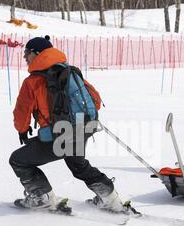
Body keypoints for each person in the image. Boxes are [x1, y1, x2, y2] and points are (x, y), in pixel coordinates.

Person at [9, 36, 126, 212]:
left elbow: (22, 112)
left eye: (27, 53)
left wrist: (22, 130)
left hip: (58, 135)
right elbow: (95, 99)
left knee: (18, 160)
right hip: (82, 127)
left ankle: (42, 197)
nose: (25, 57)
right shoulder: (69, 71)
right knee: (78, 165)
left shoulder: (33, 81)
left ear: (37, 53)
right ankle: (110, 199)